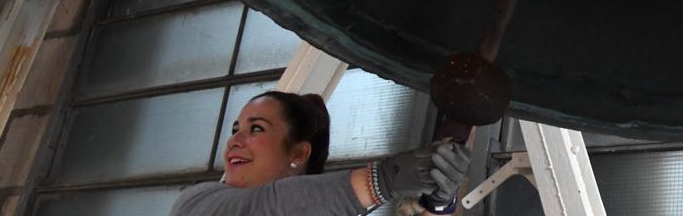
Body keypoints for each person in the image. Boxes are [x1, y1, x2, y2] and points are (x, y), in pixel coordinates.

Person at [171, 91, 471, 216]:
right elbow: (268, 205)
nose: (234, 140)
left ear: (299, 153)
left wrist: (437, 202)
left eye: (256, 128)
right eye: (235, 129)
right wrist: (384, 180)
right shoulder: (198, 203)